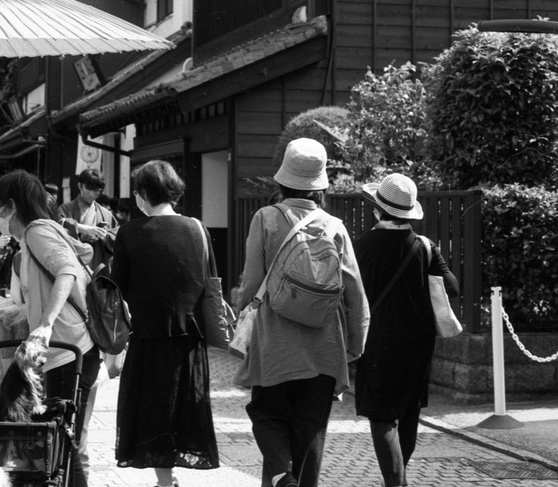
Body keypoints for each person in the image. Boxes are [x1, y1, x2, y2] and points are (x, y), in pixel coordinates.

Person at [235, 138, 369, 487]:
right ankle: (291, 480)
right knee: (310, 432)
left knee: (267, 414)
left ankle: (281, 475)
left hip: (275, 342)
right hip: (325, 346)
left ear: (283, 179)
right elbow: (354, 291)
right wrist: (356, 344)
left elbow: (251, 283)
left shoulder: (265, 218)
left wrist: (242, 322)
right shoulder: (335, 226)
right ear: (319, 184)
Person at [111, 160, 220, 485]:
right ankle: (167, 479)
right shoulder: (197, 229)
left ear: (144, 193)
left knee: (152, 413)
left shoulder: (129, 232)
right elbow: (208, 283)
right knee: (182, 410)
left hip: (146, 339)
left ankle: (164, 479)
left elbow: (117, 292)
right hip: (188, 341)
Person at [0, 170, 99, 487]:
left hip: (67, 349)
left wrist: (46, 324)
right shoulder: (35, 237)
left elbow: (66, 272)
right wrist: (22, 313)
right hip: (69, 348)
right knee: (62, 441)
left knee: (62, 442)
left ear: (10, 206)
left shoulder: (37, 232)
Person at [354, 174, 459, 487]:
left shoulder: (362, 246)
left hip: (376, 341)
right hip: (418, 343)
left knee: (382, 415)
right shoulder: (425, 248)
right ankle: (398, 476)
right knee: (409, 411)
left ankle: (395, 482)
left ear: (378, 209)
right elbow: (451, 287)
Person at [58, 169, 117, 270]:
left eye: (98, 190)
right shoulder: (65, 209)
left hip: (98, 265)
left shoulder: (106, 214)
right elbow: (57, 224)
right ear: (80, 186)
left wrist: (105, 236)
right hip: (73, 265)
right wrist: (84, 229)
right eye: (90, 188)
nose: (94, 193)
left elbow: (117, 236)